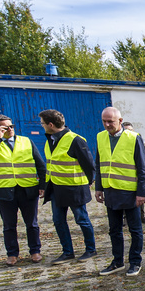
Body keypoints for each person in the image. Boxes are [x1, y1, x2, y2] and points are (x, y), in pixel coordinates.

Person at [0, 114, 45, 265]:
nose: (10, 129)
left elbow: (40, 164)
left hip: (27, 188)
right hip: (4, 190)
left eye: (11, 126)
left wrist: (42, 185)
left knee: (32, 223)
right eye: (5, 127)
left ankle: (35, 251)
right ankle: (12, 254)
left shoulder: (26, 141)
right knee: (9, 225)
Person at [95, 107, 145, 277]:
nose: (107, 124)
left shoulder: (133, 138)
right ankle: (117, 261)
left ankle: (135, 262)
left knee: (135, 230)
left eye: (110, 121)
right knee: (114, 230)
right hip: (110, 191)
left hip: (130, 192)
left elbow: (142, 168)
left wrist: (142, 192)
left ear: (120, 120)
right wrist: (98, 187)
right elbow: (99, 163)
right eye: (104, 121)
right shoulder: (100, 137)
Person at [40, 109, 97, 265]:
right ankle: (67, 252)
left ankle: (91, 249)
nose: (42, 126)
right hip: (55, 189)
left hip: (74, 189)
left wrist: (89, 183)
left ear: (50, 124)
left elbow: (89, 165)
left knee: (82, 220)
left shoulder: (75, 140)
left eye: (43, 123)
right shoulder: (50, 140)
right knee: (58, 221)